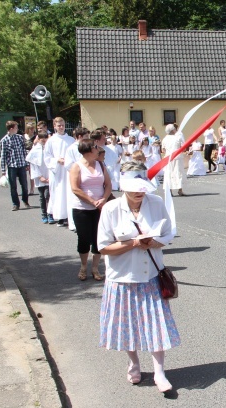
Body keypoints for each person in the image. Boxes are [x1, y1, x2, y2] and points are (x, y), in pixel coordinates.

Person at [97, 161, 179, 393]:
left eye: (142, 188)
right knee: (127, 326)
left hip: (151, 275)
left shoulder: (156, 203)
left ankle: (159, 373)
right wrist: (133, 243)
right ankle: (133, 363)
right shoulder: (111, 209)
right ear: (123, 186)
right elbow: (103, 246)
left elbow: (168, 232)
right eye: (134, 189)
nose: (139, 193)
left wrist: (154, 242)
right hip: (122, 277)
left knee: (156, 326)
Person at [69, 139, 112, 281]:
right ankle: (83, 266)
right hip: (82, 208)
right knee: (84, 238)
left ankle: (95, 268)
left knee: (98, 238)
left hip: (100, 208)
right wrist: (93, 201)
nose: (97, 149)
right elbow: (75, 188)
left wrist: (104, 200)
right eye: (95, 147)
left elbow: (108, 185)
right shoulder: (76, 167)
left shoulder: (100, 164)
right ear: (88, 150)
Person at [0, 121, 30, 211]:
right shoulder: (4, 140)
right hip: (12, 166)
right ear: (11, 129)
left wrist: (27, 163)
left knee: (24, 185)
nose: (17, 129)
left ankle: (25, 200)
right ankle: (15, 204)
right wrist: (3, 169)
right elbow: (3, 156)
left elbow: (24, 151)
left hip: (21, 164)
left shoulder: (20, 137)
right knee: (13, 187)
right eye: (16, 127)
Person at [27, 132, 51, 223]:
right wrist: (40, 176)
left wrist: (50, 176)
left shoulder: (49, 148)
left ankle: (50, 214)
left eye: (46, 138)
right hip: (40, 177)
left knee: (48, 195)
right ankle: (44, 215)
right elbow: (33, 165)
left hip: (49, 176)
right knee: (42, 197)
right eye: (42, 138)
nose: (44, 140)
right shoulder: (35, 150)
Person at [162, 124, 185, 196]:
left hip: (168, 158)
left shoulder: (164, 139)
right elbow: (183, 147)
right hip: (177, 158)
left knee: (169, 173)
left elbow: (163, 150)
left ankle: (170, 190)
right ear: (172, 130)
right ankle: (180, 190)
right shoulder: (178, 137)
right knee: (178, 173)